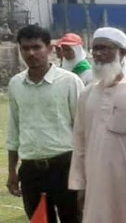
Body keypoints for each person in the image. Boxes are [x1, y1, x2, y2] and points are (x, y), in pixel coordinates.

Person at [69, 28, 126, 223]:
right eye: (95, 49)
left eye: (105, 48)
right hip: (96, 184)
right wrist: (80, 186)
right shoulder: (86, 94)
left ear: (122, 53)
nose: (99, 54)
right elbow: (80, 143)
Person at [7, 24, 85, 223]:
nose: (31, 53)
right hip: (31, 170)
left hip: (65, 167)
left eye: (36, 47)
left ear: (49, 49)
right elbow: (14, 130)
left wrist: (85, 173)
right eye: (25, 48)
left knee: (73, 219)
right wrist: (12, 172)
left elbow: (83, 129)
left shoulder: (70, 81)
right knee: (39, 220)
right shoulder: (16, 84)